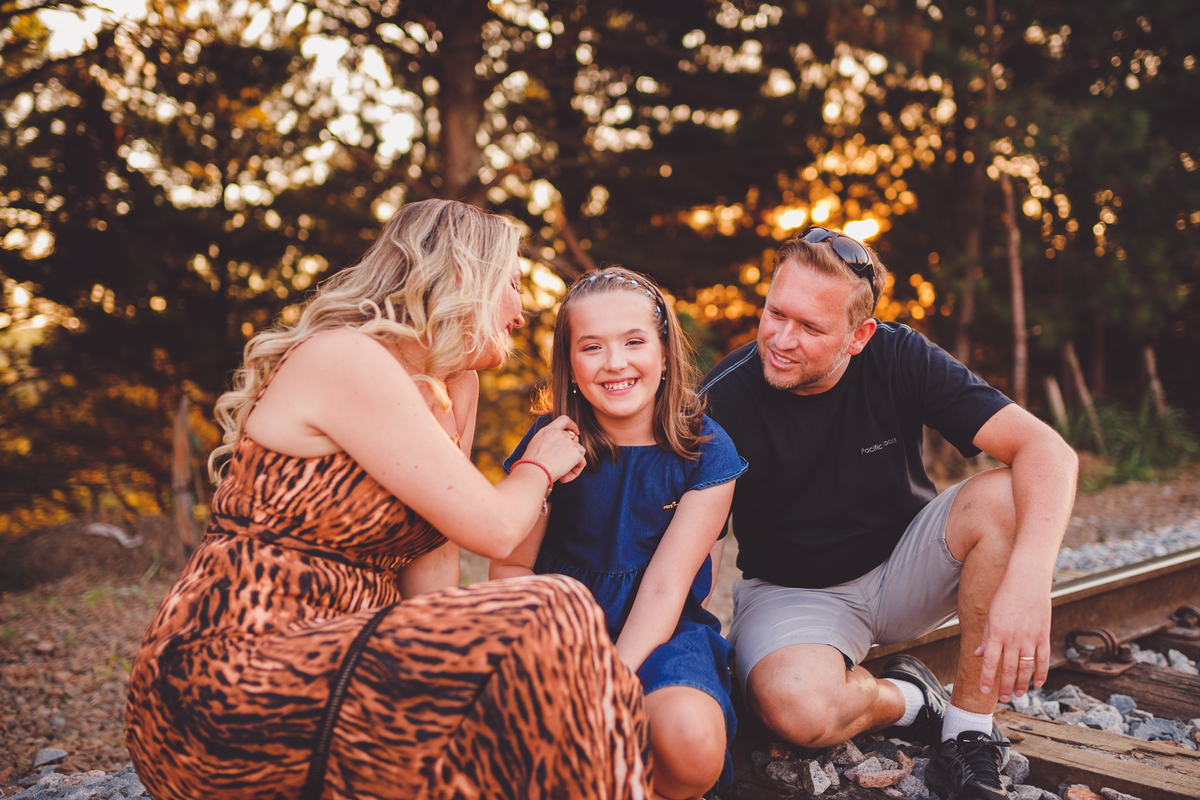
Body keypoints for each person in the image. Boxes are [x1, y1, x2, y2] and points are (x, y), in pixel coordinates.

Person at [125, 200, 653, 800]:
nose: (521, 310)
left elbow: (435, 559)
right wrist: (538, 465)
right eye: (510, 284)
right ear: (461, 278)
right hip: (227, 682)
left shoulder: (453, 381)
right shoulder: (343, 357)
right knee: (553, 603)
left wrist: (466, 668)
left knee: (556, 661)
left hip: (354, 673)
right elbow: (499, 530)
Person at [699, 228, 1078, 800]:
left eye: (810, 327)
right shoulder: (722, 398)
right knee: (798, 711)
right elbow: (696, 547)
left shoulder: (900, 354)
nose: (780, 338)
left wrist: (1029, 579)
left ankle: (967, 733)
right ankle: (910, 699)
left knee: (1004, 496)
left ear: (859, 337)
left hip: (906, 567)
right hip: (793, 591)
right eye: (776, 313)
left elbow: (1048, 450)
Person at [490, 268, 747, 800]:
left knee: (690, 740)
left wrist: (606, 685)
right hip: (559, 631)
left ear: (666, 351)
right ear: (570, 364)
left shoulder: (705, 450)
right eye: (592, 347)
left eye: (633, 342)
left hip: (662, 633)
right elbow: (511, 569)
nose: (615, 363)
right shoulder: (550, 440)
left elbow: (664, 590)